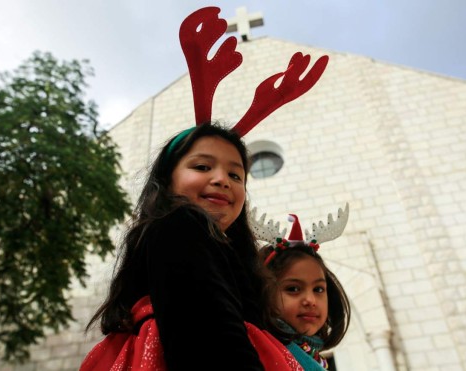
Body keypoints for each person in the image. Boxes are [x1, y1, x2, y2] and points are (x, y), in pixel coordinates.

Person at [81, 6, 330, 370]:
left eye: (236, 175)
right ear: (167, 181)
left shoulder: (227, 251)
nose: (221, 180)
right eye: (202, 166)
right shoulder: (181, 226)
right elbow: (209, 339)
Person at [254, 212, 351, 371]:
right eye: (293, 289)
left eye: (318, 289)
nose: (310, 300)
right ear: (265, 293)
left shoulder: (314, 357)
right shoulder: (260, 350)